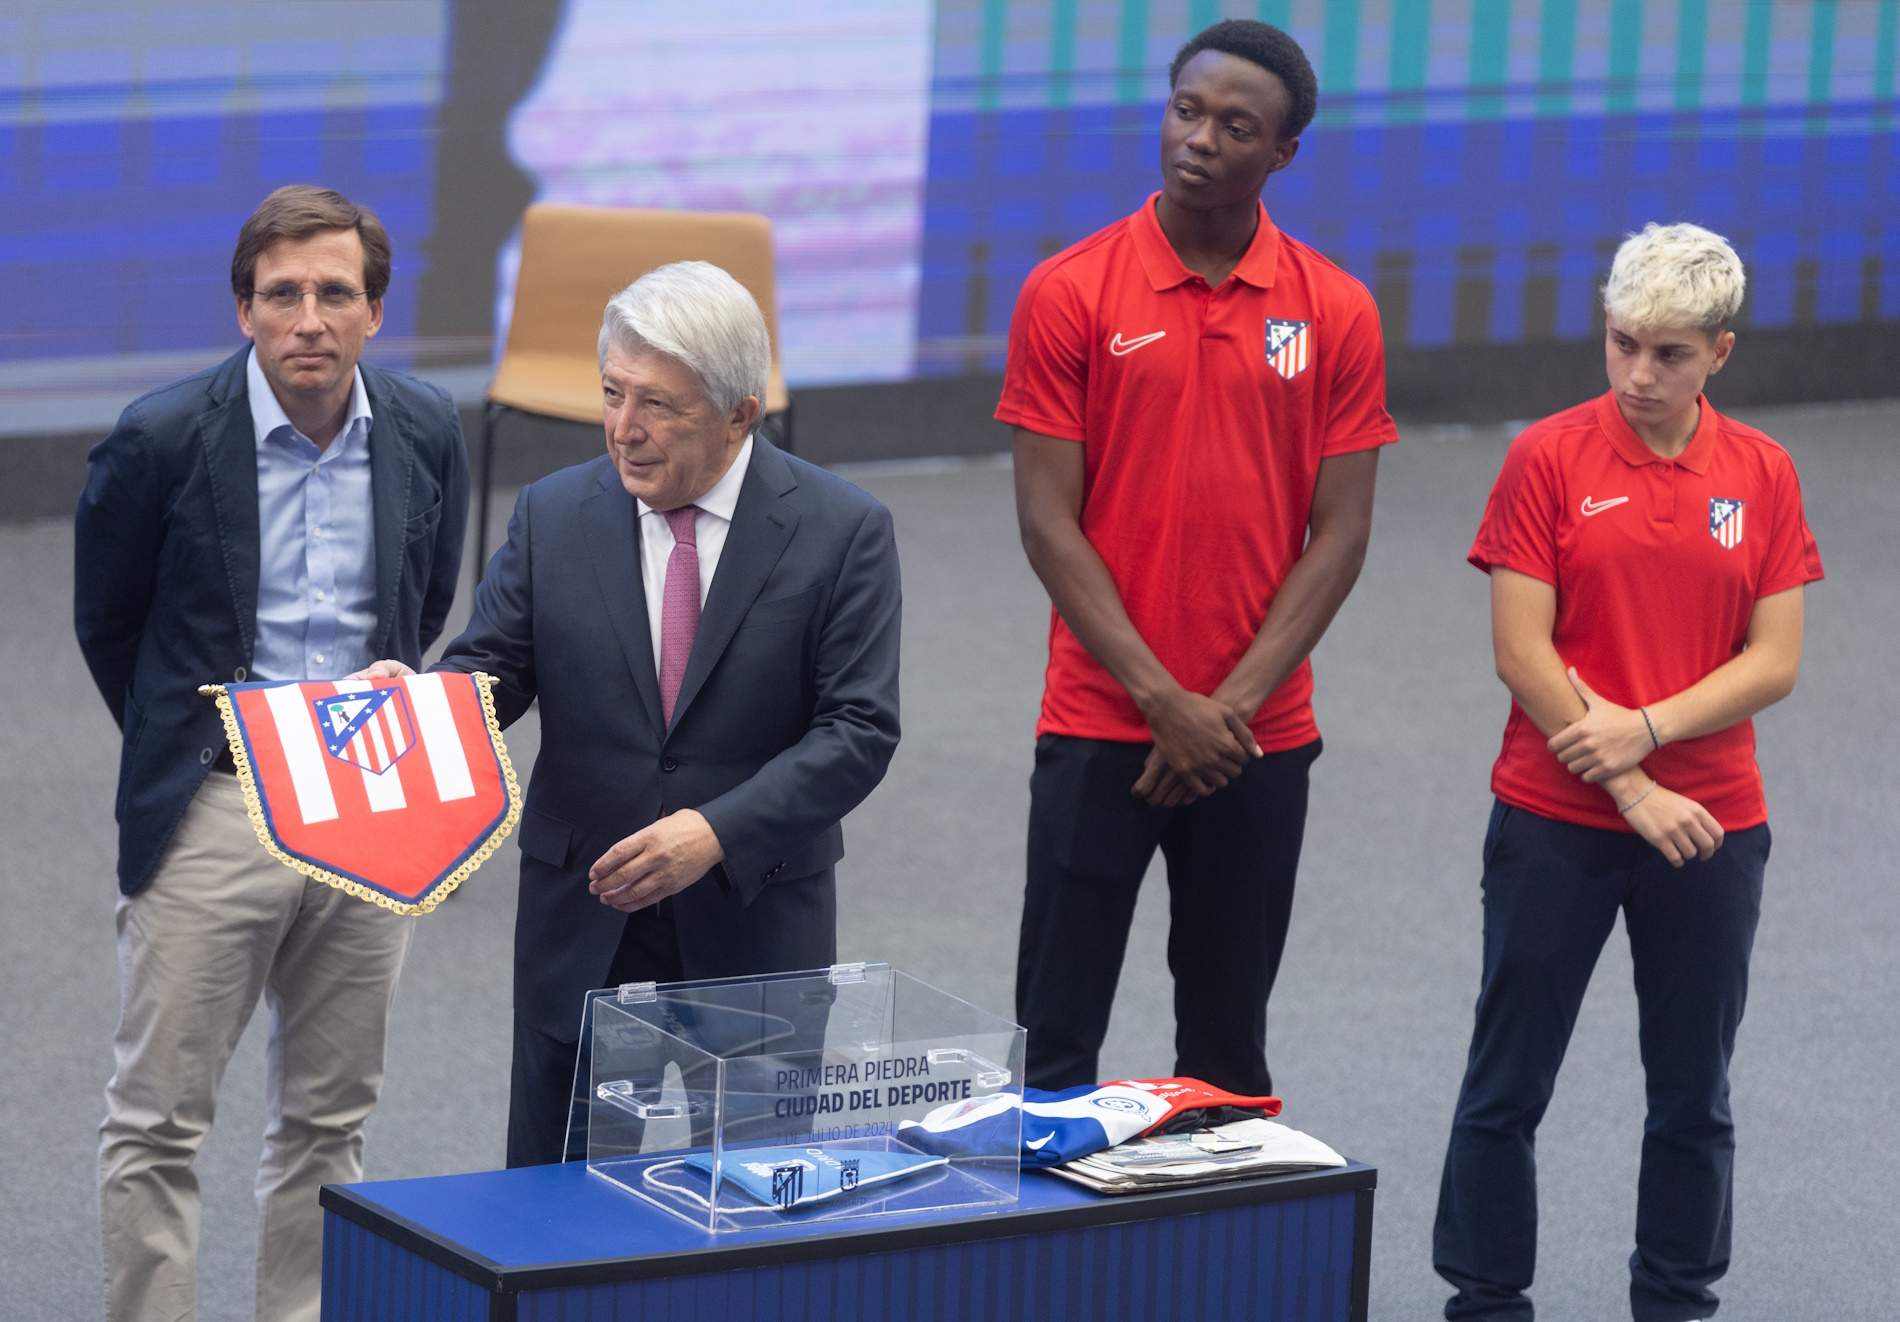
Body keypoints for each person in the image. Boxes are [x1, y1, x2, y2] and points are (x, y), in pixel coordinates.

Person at [361, 260, 902, 1166]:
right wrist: (426, 709)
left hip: (754, 918)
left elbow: (858, 731)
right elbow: (493, 666)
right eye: (612, 393)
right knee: (555, 1216)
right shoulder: (555, 513)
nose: (623, 430)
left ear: (740, 414)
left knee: (751, 1213)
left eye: (660, 405)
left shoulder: (843, 529)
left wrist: (716, 832)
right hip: (587, 917)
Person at [74, 184, 469, 1322]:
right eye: (282, 293)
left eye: (334, 293)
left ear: (374, 313)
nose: (309, 317)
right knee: (158, 1117)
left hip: (366, 799)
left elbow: (422, 596)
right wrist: (191, 747)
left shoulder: (425, 426)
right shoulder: (160, 437)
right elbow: (111, 624)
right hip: (215, 798)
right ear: (243, 310)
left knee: (331, 1116)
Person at [999, 18, 1398, 1095]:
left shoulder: (1337, 311)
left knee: (1225, 1046)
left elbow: (1342, 533)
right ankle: (1041, 1262)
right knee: (1054, 1043)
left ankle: (1214, 1264)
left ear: (1282, 153)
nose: (1201, 140)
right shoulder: (1069, 291)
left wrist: (1224, 708)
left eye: (1236, 126)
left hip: (1256, 739)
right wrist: (1158, 696)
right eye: (1187, 112)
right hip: (1098, 723)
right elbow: (1047, 521)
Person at [1433, 223, 1823, 1322]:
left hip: (1714, 828)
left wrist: (1645, 732)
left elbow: (1774, 659)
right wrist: (1631, 784)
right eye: (1620, 345)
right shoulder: (1547, 457)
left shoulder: (1761, 472)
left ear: (1720, 354)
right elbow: (1521, 649)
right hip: (1554, 815)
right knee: (1506, 1081)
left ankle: (1674, 1298)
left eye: (1668, 354)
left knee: (1691, 1091)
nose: (1638, 374)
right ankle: (1485, 1298)